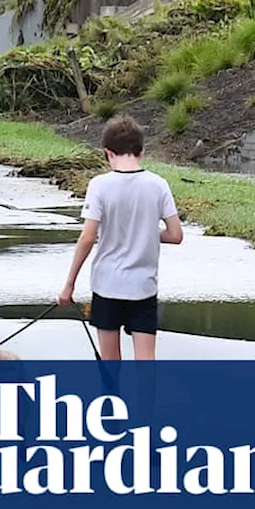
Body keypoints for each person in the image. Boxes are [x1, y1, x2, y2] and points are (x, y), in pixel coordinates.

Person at [57, 116, 182, 360]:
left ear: (108, 153)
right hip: (143, 287)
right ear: (142, 151)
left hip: (107, 285)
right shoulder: (158, 185)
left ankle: (113, 399)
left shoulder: (99, 185)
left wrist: (69, 284)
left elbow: (87, 238)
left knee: (110, 362)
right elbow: (175, 235)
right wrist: (147, 231)